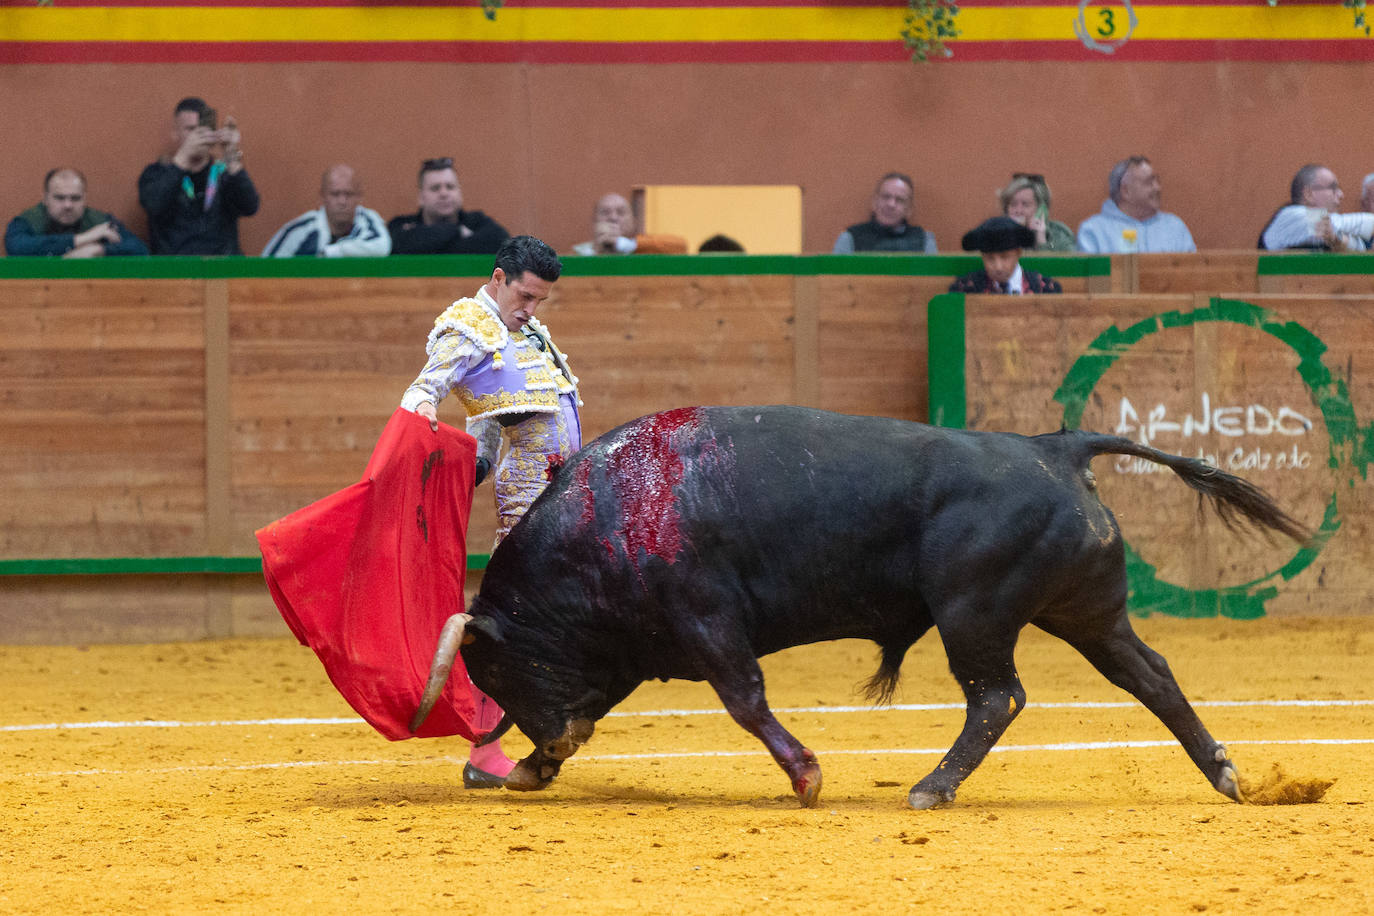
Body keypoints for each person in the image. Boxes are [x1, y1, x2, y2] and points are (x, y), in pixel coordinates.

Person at [399, 235, 579, 788]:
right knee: (515, 626)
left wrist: (477, 450)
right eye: (524, 296)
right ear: (499, 278)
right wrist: (428, 422)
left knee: (551, 621)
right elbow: (424, 392)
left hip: (560, 494)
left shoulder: (523, 328)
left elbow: (489, 407)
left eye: (540, 301)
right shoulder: (467, 324)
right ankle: (485, 750)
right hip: (528, 497)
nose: (530, 309)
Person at [138, 97, 260, 255]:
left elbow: (250, 207)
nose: (198, 135)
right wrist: (182, 159)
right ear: (176, 134)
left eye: (203, 129)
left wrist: (232, 158)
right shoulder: (157, 173)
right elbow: (153, 204)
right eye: (190, 129)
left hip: (221, 270)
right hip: (174, 271)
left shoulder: (223, 173)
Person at [5, 168, 148, 257]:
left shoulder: (99, 221)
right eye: (59, 198)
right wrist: (81, 239)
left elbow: (139, 249)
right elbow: (17, 247)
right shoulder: (27, 221)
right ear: (45, 198)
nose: (68, 205)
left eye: (75, 198)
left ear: (85, 198)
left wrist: (99, 250)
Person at [261, 165, 390, 258]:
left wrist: (331, 252)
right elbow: (266, 267)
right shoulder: (301, 229)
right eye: (335, 194)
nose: (342, 201)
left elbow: (382, 247)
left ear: (359, 197)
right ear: (322, 196)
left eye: (349, 194)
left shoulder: (368, 220)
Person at [387, 157, 509, 255]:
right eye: (435, 188)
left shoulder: (477, 221)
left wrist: (428, 243)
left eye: (450, 187)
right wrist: (457, 231)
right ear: (421, 197)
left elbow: (501, 243)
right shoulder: (400, 225)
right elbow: (399, 245)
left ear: (459, 193)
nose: (444, 193)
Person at [1076, 156, 1195, 254]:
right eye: (1149, 182)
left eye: (1157, 181)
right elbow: (1090, 281)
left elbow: (1193, 274)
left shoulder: (1175, 227)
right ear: (1125, 191)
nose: (1158, 188)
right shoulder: (1094, 231)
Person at [1258, 164, 1374, 251]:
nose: (1340, 195)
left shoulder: (1322, 229)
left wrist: (1338, 240)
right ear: (1309, 194)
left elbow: (1359, 248)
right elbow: (1338, 224)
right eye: (1333, 188)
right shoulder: (1292, 216)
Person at [949, 216, 1062, 294]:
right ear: (982, 256)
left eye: (1005, 257)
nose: (998, 266)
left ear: (1018, 253)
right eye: (990, 258)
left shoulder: (1045, 289)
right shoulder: (965, 289)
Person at [832, 172, 937, 253]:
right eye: (886, 197)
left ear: (909, 210)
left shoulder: (924, 240)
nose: (891, 204)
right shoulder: (850, 238)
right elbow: (834, 279)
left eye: (900, 200)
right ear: (874, 203)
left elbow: (933, 279)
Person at [570, 192, 687, 255]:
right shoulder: (579, 253)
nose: (613, 217)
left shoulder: (643, 249)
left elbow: (681, 246)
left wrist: (624, 245)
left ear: (633, 221)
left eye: (621, 212)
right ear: (594, 220)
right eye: (605, 212)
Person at [998, 173, 1076, 252]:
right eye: (1013, 204)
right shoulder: (996, 234)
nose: (1018, 211)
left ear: (1041, 209)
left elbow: (1065, 263)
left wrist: (1041, 240)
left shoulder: (1060, 234)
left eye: (1025, 204)